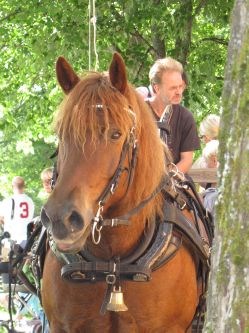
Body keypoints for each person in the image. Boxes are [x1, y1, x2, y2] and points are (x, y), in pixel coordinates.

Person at [145, 57, 200, 173]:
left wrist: (166, 181)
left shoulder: (186, 117)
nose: (179, 92)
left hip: (172, 182)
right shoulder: (139, 113)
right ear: (157, 88)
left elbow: (187, 160)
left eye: (180, 86)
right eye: (173, 88)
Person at [0, 176, 35, 248]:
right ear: (24, 186)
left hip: (11, 240)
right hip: (26, 239)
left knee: (8, 258)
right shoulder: (30, 201)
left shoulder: (7, 201)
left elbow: (1, 219)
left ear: (12, 186)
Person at [201, 140, 219, 216]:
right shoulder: (210, 186)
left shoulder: (214, 196)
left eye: (205, 161)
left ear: (215, 160)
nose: (204, 165)